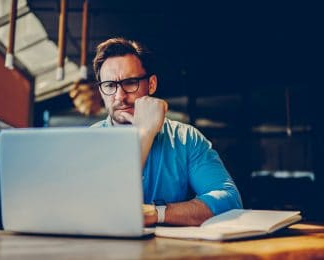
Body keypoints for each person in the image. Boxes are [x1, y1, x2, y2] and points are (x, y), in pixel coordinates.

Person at [89, 37, 242, 227]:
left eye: (130, 82)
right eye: (110, 85)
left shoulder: (187, 139)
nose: (120, 96)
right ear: (101, 91)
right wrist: (144, 134)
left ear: (151, 84)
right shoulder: (87, 143)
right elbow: (98, 211)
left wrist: (157, 213)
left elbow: (229, 201)